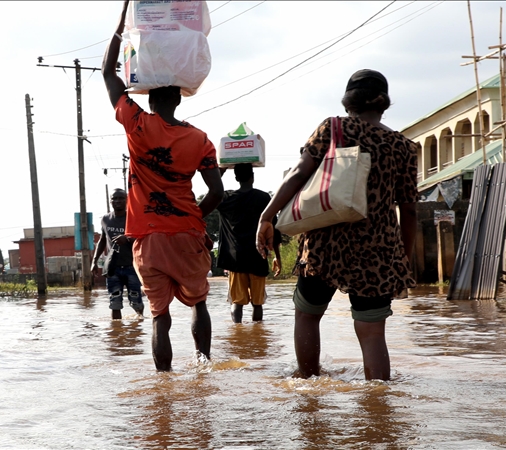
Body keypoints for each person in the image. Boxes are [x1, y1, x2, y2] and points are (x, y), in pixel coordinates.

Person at [257, 69, 418, 381]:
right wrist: (404, 260)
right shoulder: (403, 147)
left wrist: (267, 216)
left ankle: (308, 387)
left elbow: (299, 174)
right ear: (384, 104)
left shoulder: (333, 129)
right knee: (372, 333)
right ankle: (378, 406)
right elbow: (409, 211)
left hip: (323, 246)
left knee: (307, 316)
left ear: (348, 102)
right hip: (378, 251)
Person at [103, 0, 224, 372]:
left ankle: (164, 384)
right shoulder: (200, 139)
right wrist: (192, 217)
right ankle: (204, 368)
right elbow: (216, 193)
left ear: (151, 97)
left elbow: (109, 74)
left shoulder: (138, 125)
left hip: (149, 239)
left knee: (160, 316)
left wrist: (123, 19)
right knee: (199, 304)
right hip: (188, 233)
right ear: (177, 97)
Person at [216, 164, 281, 323]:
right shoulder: (264, 198)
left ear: (236, 178)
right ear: (253, 176)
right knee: (257, 304)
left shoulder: (226, 199)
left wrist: (220, 172)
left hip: (236, 259)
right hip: (258, 257)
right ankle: (257, 336)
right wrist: (278, 258)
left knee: (237, 303)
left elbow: (213, 192)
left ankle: (237, 334)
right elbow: (274, 230)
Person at [92, 189, 145, 320]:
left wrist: (127, 238)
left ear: (127, 200)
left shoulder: (133, 218)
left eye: (121, 198)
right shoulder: (105, 219)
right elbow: (102, 240)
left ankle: (139, 324)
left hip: (132, 267)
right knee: (114, 302)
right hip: (113, 268)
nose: (117, 201)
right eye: (114, 199)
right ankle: (116, 332)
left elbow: (143, 239)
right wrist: (94, 261)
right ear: (110, 201)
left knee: (136, 302)